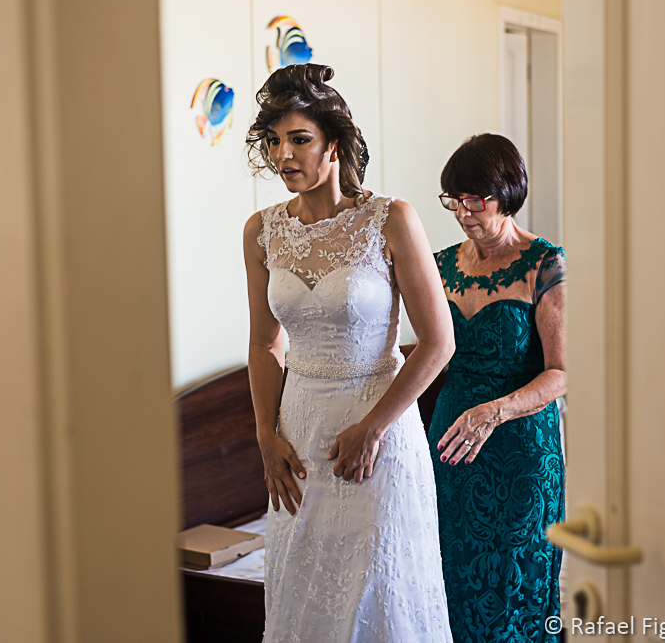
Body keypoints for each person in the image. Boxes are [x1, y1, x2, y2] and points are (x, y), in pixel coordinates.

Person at [242, 63, 455, 643]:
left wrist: (373, 428)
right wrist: (265, 434)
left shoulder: (391, 219)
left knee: (378, 598)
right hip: (298, 433)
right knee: (304, 597)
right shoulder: (261, 231)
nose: (283, 154)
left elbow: (439, 343)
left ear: (333, 143)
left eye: (299, 139)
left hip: (378, 431)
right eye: (275, 141)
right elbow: (265, 342)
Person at [428, 134, 566, 643]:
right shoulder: (438, 265)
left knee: (513, 586)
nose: (463, 213)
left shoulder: (545, 265)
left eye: (475, 200)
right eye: (454, 200)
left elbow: (563, 371)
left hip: (519, 451)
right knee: (449, 577)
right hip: (450, 446)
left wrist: (497, 410)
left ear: (507, 192)